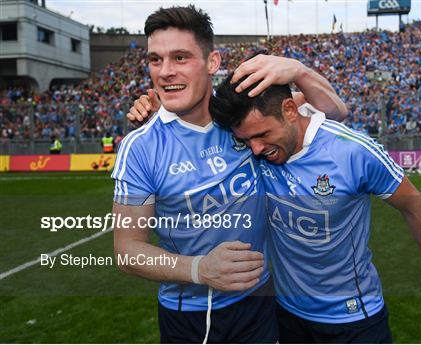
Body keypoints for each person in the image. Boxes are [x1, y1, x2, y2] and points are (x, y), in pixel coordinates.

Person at [114, 6, 347, 344]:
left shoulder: (244, 115)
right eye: (155, 60)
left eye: (180, 58)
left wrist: (299, 71)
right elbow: (126, 250)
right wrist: (200, 269)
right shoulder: (142, 146)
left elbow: (335, 113)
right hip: (193, 315)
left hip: (263, 301)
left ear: (213, 62)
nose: (164, 72)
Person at [209, 75, 421, 343]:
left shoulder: (352, 151)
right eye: (247, 139)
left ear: (289, 111)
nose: (256, 148)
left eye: (263, 135)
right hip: (286, 314)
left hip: (354, 319)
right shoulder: (255, 149)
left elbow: (415, 208)